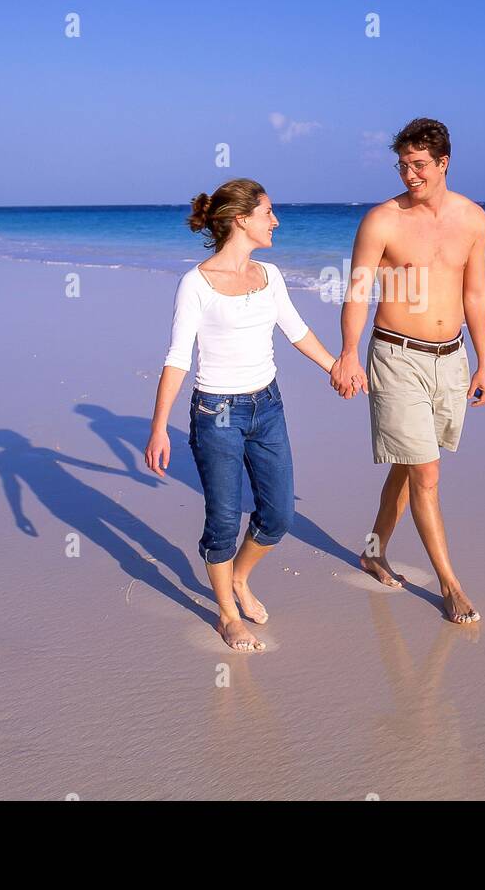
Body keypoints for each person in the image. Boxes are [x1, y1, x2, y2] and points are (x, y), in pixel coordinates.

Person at [145, 179, 342, 652]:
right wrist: (158, 429)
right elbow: (177, 357)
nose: (275, 221)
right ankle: (227, 616)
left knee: (278, 515)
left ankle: (238, 577)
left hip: (267, 406)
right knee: (224, 521)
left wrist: (337, 368)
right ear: (242, 220)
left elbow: (296, 331)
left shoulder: (270, 275)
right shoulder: (195, 283)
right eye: (268, 212)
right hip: (216, 413)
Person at [330, 117, 485, 624]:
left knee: (410, 462)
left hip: (451, 358)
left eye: (419, 165)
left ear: (444, 163)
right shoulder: (383, 220)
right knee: (426, 472)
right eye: (403, 165)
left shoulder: (473, 219)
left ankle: (374, 551)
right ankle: (451, 584)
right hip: (396, 357)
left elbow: (475, 293)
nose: (410, 175)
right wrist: (348, 353)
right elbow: (358, 290)